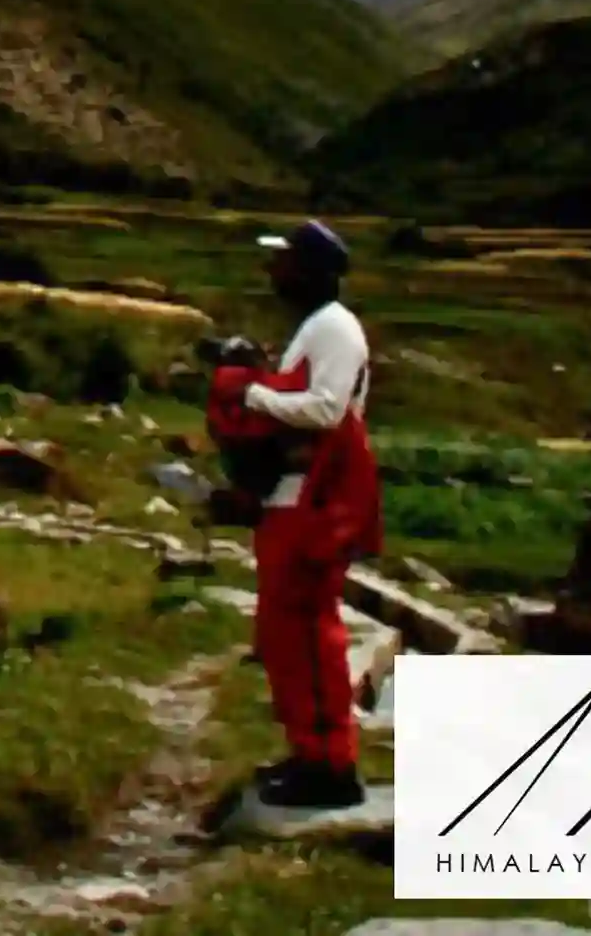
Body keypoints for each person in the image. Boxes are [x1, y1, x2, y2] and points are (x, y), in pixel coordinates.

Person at [239, 220, 383, 812]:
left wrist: (253, 395)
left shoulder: (334, 330)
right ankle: (309, 754)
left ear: (312, 271)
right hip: (294, 496)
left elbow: (327, 409)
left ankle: (333, 764)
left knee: (308, 629)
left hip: (316, 500)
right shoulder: (317, 327)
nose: (274, 272)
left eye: (285, 261)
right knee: (284, 631)